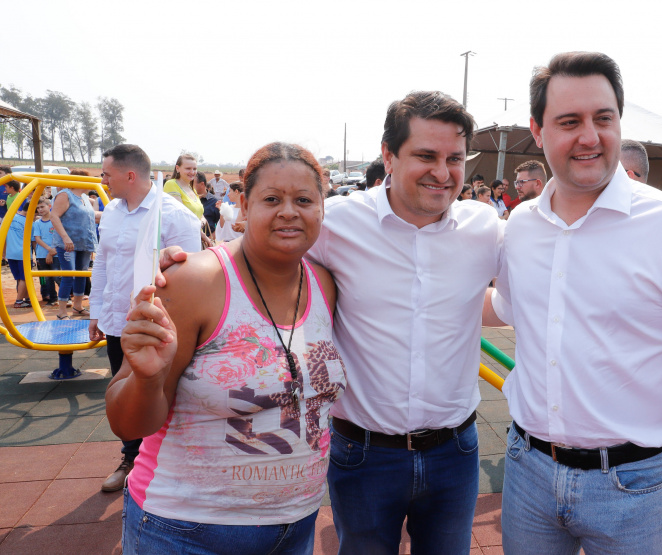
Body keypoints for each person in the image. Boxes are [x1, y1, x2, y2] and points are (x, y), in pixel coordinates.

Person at [156, 91, 501, 555]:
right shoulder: (333, 222)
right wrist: (188, 267)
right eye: (426, 155)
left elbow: (518, 287)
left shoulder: (484, 229)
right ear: (388, 156)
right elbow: (256, 257)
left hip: (454, 450)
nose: (443, 172)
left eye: (454, 158)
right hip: (364, 450)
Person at [484, 51, 662, 555]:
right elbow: (506, 306)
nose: (589, 136)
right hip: (528, 473)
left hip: (634, 486)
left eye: (603, 118)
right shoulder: (521, 226)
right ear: (537, 131)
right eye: (569, 121)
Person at [108, 142, 344, 554]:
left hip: (296, 525)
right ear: (243, 206)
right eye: (272, 199)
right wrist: (148, 379)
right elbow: (126, 424)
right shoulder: (193, 281)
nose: (289, 211)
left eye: (304, 199)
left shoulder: (325, 283)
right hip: (186, 530)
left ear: (322, 209)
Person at [89, 144, 202, 493]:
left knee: (167, 396)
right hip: (116, 322)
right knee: (125, 393)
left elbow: (192, 279)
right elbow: (103, 263)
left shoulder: (173, 216)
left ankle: (168, 463)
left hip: (157, 328)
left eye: (106, 174)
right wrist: (96, 311)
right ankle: (131, 459)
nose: (103, 180)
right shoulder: (111, 211)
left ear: (130, 175)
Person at [49, 177, 98, 319]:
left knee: (81, 274)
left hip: (84, 242)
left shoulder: (84, 197)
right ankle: (62, 311)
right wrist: (65, 237)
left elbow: (91, 216)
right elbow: (54, 216)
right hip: (68, 243)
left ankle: (78, 306)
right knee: (69, 274)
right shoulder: (65, 195)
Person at [32, 198, 60, 306]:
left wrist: (52, 252)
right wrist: (49, 250)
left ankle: (65, 297)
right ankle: (53, 298)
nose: (40, 209)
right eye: (38, 208)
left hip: (56, 254)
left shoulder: (56, 220)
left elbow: (59, 237)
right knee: (46, 279)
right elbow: (37, 239)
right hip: (42, 254)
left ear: (49, 206)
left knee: (57, 276)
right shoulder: (37, 223)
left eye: (42, 207)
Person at [164, 153, 205, 221]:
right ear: (177, 168)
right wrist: (198, 224)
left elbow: (201, 215)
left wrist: (202, 222)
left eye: (194, 169)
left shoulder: (192, 189)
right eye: (188, 168)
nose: (192, 172)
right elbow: (180, 215)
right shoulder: (172, 184)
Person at [5, 203, 29, 308]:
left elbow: (3, 233)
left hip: (11, 252)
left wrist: (3, 252)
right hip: (23, 253)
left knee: (19, 277)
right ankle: (19, 301)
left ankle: (27, 298)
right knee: (24, 278)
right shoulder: (29, 222)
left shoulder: (10, 217)